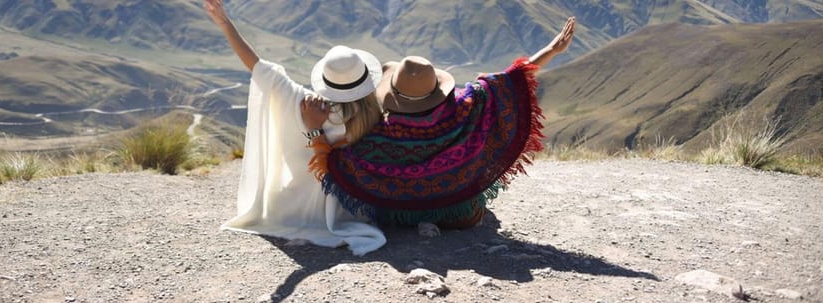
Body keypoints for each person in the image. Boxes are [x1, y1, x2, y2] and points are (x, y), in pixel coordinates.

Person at [303, 18, 577, 236]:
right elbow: (509, 81)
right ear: (436, 87)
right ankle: (440, 216)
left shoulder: (384, 134)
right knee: (479, 205)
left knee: (392, 208)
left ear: (395, 94)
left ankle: (421, 219)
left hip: (401, 214)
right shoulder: (464, 106)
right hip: (461, 216)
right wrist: (551, 50)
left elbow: (338, 165)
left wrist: (315, 129)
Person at [203, 0, 386, 255]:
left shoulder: (305, 104)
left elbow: (259, 68)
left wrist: (225, 23)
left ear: (325, 78)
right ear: (364, 79)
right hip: (348, 209)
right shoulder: (375, 115)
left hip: (290, 206)